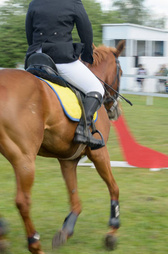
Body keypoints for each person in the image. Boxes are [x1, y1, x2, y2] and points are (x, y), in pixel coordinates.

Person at [25, 0, 105, 150]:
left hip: (35, 58)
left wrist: (35, 52)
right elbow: (86, 32)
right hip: (60, 59)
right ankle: (82, 130)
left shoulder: (34, 2)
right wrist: (87, 56)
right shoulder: (73, 2)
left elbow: (29, 33)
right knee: (97, 88)